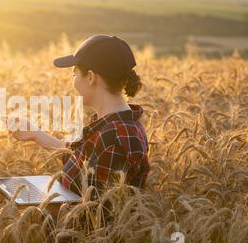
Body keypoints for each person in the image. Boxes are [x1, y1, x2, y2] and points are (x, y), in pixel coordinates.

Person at [11, 34, 150, 198]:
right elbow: (80, 158)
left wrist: (38, 205)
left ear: (90, 77)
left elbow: (98, 216)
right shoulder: (114, 125)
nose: (73, 81)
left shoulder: (113, 139)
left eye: (74, 74)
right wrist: (35, 134)